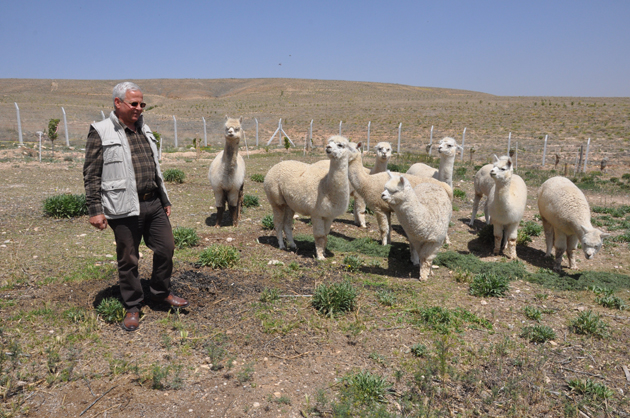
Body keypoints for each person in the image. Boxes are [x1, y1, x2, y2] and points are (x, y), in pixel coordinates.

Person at [83, 81, 189, 332]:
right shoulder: (100, 131)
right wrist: (95, 210)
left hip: (153, 202)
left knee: (166, 248)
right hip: (123, 207)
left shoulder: (145, 129)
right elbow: (91, 174)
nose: (139, 108)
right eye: (134, 103)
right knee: (129, 258)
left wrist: (164, 199)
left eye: (142, 104)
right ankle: (133, 305)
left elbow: (155, 169)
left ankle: (160, 293)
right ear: (117, 103)